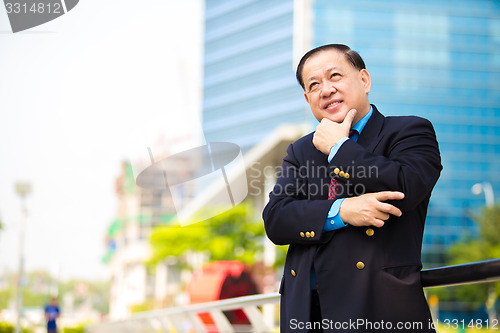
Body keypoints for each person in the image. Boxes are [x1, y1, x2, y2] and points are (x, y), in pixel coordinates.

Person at [263, 44, 442, 333]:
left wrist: (338, 148)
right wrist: (343, 211)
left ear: (364, 80)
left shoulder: (409, 131)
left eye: (335, 76)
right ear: (308, 98)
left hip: (377, 308)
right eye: (314, 85)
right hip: (306, 313)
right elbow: (276, 219)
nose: (326, 89)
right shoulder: (300, 150)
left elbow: (405, 187)